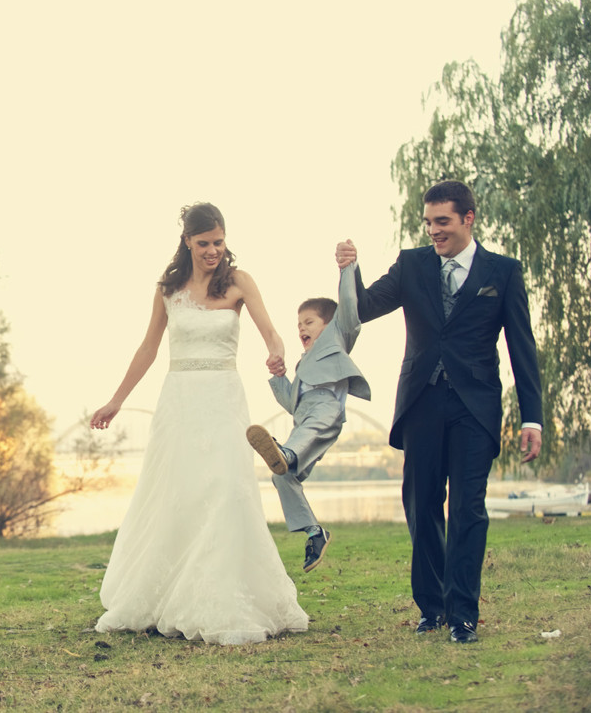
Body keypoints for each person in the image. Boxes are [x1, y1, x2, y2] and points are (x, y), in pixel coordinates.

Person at [90, 202, 309, 645]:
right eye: (205, 243)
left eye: (219, 242)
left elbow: (270, 329)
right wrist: (116, 400)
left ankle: (225, 595)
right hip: (181, 401)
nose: (213, 251)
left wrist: (276, 349)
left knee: (227, 489)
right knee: (179, 492)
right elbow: (148, 349)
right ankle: (168, 595)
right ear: (188, 241)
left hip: (225, 397)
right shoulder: (167, 290)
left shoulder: (239, 282)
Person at [338, 180, 542, 644]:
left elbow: (521, 348)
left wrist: (532, 417)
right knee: (421, 503)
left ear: (469, 219)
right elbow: (366, 307)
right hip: (422, 404)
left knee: (468, 508)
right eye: (428, 222)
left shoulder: (503, 272)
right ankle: (432, 608)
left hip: (476, 406)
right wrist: (350, 270)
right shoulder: (411, 264)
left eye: (443, 221)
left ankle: (463, 614)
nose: (433, 230)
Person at [245, 259, 371, 573]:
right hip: (305, 419)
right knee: (282, 475)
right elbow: (291, 404)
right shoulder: (302, 367)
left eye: (309, 322)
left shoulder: (337, 337)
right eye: (299, 323)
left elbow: (349, 308)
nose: (301, 327)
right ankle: (315, 533)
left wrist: (347, 269)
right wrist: (278, 377)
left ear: (329, 325)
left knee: (291, 450)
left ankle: (286, 452)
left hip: (326, 408)